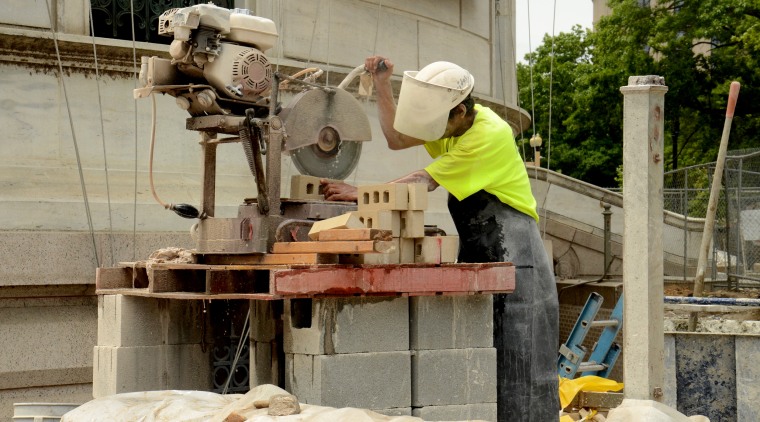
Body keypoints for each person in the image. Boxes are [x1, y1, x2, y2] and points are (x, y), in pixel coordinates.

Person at [321, 56, 560, 421]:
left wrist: (361, 193)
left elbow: (423, 181)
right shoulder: (451, 123)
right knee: (486, 359)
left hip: (517, 256)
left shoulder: (489, 135)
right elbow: (397, 137)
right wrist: (383, 85)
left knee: (522, 367)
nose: (434, 131)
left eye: (439, 123)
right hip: (482, 247)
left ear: (460, 111)